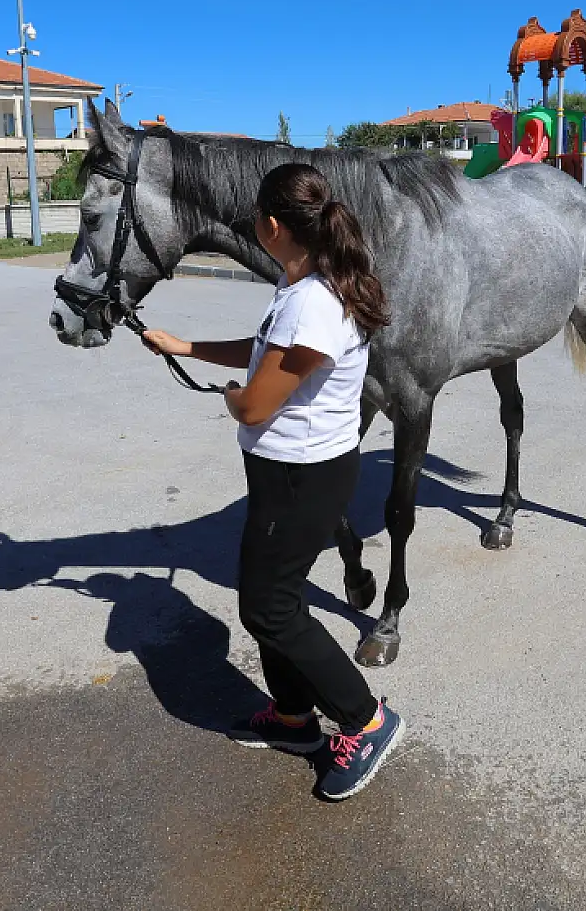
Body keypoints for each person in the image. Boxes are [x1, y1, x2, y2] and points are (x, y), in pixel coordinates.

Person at [142, 162, 405, 802]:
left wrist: (232, 395)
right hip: (291, 474)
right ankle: (293, 716)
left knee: (268, 606)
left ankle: (366, 720)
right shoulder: (308, 284)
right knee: (273, 596)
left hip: (302, 477)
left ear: (271, 225)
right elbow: (268, 352)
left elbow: (257, 403)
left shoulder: (315, 302)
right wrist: (188, 345)